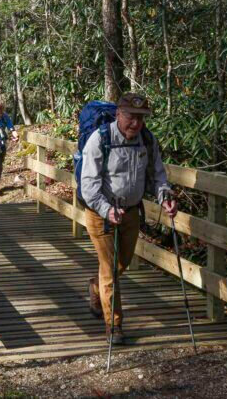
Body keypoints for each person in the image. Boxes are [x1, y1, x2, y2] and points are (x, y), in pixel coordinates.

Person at [80, 92, 177, 345]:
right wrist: (106, 209)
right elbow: (88, 185)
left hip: (132, 212)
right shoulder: (99, 140)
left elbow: (158, 175)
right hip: (101, 215)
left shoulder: (146, 139)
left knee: (120, 264)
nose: (136, 123)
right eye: (131, 117)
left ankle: (95, 287)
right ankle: (114, 325)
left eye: (141, 118)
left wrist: (164, 196)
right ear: (118, 114)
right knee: (111, 270)